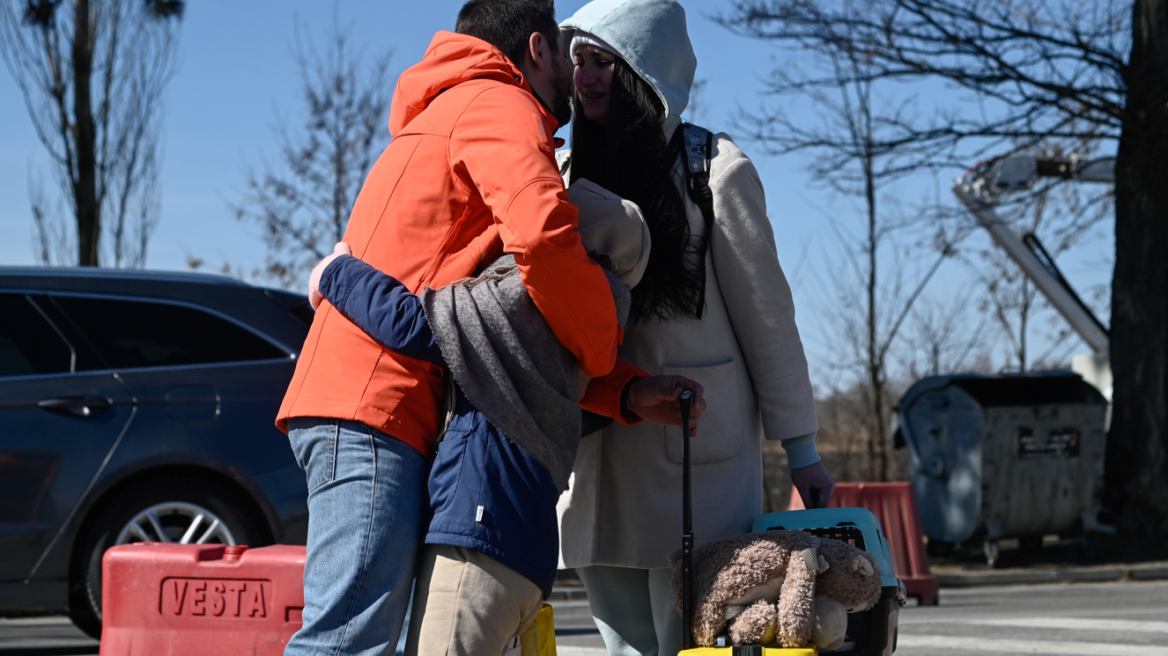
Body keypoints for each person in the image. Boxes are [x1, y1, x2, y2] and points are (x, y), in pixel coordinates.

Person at [276, 1, 683, 653]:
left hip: (364, 402)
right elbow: (546, 239)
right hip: (377, 404)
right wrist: (602, 346)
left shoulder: (444, 113)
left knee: (357, 636)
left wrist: (624, 392)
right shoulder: (499, 102)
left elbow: (509, 339)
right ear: (536, 51)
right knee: (346, 640)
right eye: (563, 54)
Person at [305, 179, 703, 656]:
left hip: (479, 542)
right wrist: (630, 392)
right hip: (520, 556)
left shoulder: (528, 300)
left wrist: (337, 273)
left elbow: (417, 325)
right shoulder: (589, 325)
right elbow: (542, 378)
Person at [554, 1, 837, 654]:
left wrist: (803, 449)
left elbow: (769, 319)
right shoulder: (561, 176)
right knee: (623, 643)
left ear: (644, 74)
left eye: (603, 62)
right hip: (598, 455)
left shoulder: (716, 171)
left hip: (693, 461)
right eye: (579, 63)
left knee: (695, 636)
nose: (586, 78)